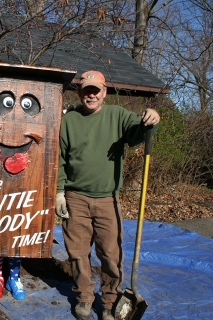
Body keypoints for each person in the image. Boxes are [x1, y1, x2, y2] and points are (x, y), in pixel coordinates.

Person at [56, 70, 160, 320]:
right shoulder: (69, 120)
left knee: (111, 253)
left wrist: (151, 120)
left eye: (95, 90)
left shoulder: (118, 115)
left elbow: (137, 131)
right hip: (75, 197)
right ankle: (83, 297)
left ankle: (110, 302)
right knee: (77, 252)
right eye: (86, 90)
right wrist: (59, 192)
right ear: (80, 93)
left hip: (107, 198)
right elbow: (59, 159)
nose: (91, 95)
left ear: (104, 92)